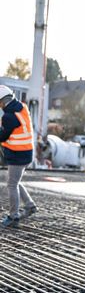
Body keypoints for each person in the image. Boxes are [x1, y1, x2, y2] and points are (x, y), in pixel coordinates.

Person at [0, 85, 37, 227]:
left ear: (3, 101)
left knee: (11, 184)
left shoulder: (9, 116)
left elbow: (3, 137)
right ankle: (29, 205)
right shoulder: (21, 107)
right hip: (26, 153)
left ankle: (13, 216)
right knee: (15, 180)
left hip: (18, 155)